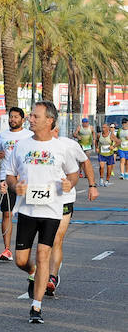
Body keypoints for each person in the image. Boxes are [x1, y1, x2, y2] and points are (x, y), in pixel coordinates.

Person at [4, 101, 79, 324]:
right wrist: (14, 185)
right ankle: (34, 271)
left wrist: (69, 184)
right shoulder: (21, 145)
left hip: (52, 211)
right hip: (27, 209)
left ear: (50, 120)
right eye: (31, 116)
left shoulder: (61, 147)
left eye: (36, 116)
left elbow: (74, 174)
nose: (30, 119)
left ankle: (36, 307)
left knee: (44, 254)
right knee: (21, 260)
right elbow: (10, 174)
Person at [47, 122, 98, 296]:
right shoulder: (33, 145)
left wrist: (92, 185)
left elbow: (85, 162)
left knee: (56, 239)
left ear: (56, 129)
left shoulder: (69, 145)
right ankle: (41, 272)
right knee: (44, 240)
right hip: (42, 200)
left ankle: (52, 277)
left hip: (64, 199)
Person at [0, 107, 33, 261]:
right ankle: (7, 249)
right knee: (7, 213)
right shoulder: (3, 135)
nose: (13, 119)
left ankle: (25, 247)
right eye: (11, 117)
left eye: (16, 117)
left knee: (27, 214)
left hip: (24, 178)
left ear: (22, 119)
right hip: (6, 177)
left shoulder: (29, 135)